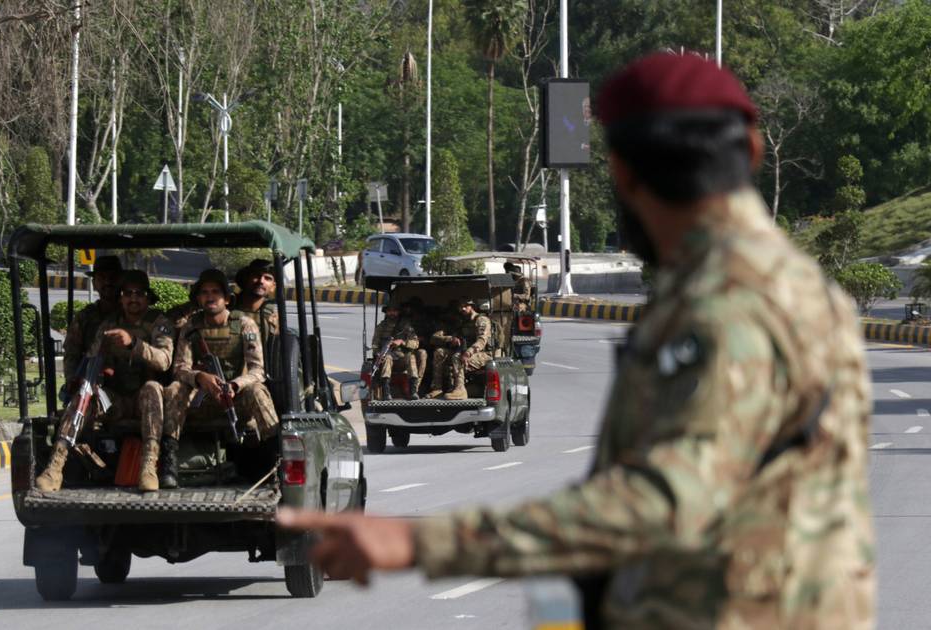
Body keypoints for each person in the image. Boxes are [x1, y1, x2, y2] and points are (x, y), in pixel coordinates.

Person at [277, 52, 874, 628]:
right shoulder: (788, 288)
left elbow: (657, 502)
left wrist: (418, 540)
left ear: (621, 173)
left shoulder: (727, 305)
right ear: (752, 150)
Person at [163, 270, 280, 480]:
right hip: (202, 400)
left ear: (226, 299)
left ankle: (277, 459)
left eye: (216, 292)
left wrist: (235, 385)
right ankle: (168, 464)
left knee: (258, 391)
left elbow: (258, 370)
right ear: (198, 298)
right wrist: (200, 378)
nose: (210, 297)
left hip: (235, 400)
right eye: (205, 292)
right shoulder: (192, 326)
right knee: (174, 389)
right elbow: (180, 368)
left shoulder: (244, 324)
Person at [95, 270, 175, 491]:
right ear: (120, 298)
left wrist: (133, 344)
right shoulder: (109, 324)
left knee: (151, 388)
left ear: (147, 297)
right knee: (85, 394)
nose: (133, 298)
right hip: (117, 400)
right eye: (127, 293)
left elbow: (164, 361)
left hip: (147, 403)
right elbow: (94, 358)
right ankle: (58, 461)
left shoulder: (159, 322)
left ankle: (148, 466)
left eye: (139, 293)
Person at [62, 255, 123, 379]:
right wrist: (72, 380)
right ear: (94, 284)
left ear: (121, 281)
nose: (107, 282)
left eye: (112, 278)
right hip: (94, 380)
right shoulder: (85, 317)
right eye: (102, 278)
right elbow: (72, 353)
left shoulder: (131, 313)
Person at [427, 299, 491, 400]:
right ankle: (437, 388)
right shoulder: (463, 322)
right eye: (460, 307)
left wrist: (468, 352)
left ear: (472, 306)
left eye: (465, 306)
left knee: (457, 357)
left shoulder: (481, 320)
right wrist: (452, 339)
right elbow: (439, 338)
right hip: (464, 351)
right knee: (439, 352)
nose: (463, 308)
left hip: (483, 354)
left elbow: (482, 341)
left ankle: (460, 390)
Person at [370, 297, 420, 400]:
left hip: (402, 358)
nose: (392, 313)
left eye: (394, 311)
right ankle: (386, 392)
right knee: (387, 358)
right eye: (390, 311)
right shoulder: (381, 327)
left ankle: (413, 391)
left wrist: (402, 342)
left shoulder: (405, 325)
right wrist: (378, 354)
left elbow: (416, 343)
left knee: (412, 358)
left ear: (398, 312)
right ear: (386, 312)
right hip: (388, 357)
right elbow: (375, 344)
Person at [423, 300, 461, 399]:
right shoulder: (446, 325)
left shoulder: (471, 321)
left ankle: (458, 389)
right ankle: (437, 388)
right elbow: (434, 338)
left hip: (468, 351)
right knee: (439, 352)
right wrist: (450, 339)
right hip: (454, 351)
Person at [235, 258, 280, 337]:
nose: (261, 281)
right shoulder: (227, 308)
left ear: (273, 287)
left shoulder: (273, 317)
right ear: (246, 279)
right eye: (256, 275)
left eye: (267, 278)